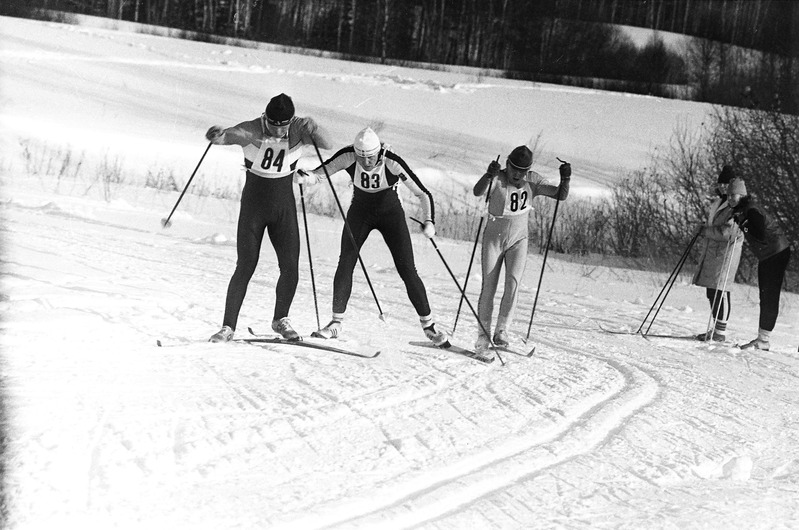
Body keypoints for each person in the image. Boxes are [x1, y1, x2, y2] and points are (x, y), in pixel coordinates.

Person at [294, 127, 449, 347]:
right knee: (345, 263)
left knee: (407, 269)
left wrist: (429, 221)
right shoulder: (348, 155)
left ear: (379, 152)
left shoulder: (392, 161)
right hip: (360, 214)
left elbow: (423, 193)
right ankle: (335, 323)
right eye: (362, 157)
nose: (366, 162)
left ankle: (429, 327)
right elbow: (320, 173)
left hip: (391, 216)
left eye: (371, 157)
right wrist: (305, 177)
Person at [204, 93, 333, 342]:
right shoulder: (252, 129)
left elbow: (327, 143)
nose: (278, 130)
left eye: (283, 125)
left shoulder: (298, 129)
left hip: (283, 209)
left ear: (290, 121)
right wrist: (217, 134)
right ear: (266, 118)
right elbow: (228, 136)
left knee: (290, 266)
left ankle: (280, 320)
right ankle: (227, 327)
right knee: (245, 265)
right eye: (273, 124)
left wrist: (314, 127)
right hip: (254, 208)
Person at [472, 145, 570, 358]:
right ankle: (482, 334)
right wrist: (488, 175)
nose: (517, 175)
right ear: (507, 164)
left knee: (513, 285)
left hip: (519, 239)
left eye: (522, 171)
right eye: (514, 168)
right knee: (488, 286)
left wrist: (566, 179)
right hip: (494, 238)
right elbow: (477, 191)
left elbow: (560, 195)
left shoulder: (533, 180)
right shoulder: (498, 177)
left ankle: (502, 331)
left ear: (528, 170)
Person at [728, 177, 791, 351]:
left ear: (742, 195)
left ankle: (764, 339)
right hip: (770, 254)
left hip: (775, 253)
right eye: (729, 196)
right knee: (766, 295)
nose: (731, 199)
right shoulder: (744, 210)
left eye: (735, 195)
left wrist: (743, 224)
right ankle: (762, 338)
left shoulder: (751, 211)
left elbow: (759, 233)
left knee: (769, 295)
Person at [691, 165, 744, 342]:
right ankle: (716, 329)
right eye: (720, 184)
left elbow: (727, 232)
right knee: (712, 291)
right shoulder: (719, 202)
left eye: (726, 184)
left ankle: (720, 332)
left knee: (720, 289)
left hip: (725, 253)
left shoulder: (736, 206)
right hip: (713, 252)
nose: (722, 187)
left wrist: (706, 231)